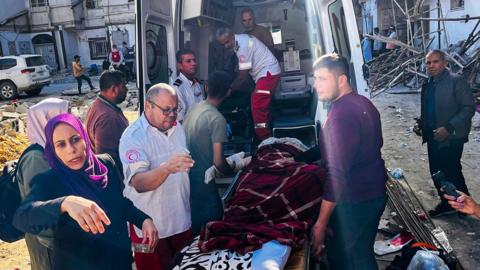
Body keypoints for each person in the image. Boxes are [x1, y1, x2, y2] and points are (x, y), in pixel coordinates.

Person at [13, 113, 158, 270]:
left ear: (85, 138)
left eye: (75, 139)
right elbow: (22, 218)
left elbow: (118, 203)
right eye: (61, 144)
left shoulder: (105, 164)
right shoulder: (49, 180)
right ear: (53, 150)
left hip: (117, 262)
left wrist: (143, 220)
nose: (71, 150)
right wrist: (64, 203)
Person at [311, 54, 388, 269]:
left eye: (322, 79)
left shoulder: (342, 114)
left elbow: (337, 175)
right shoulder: (363, 103)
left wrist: (320, 223)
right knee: (360, 254)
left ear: (341, 79)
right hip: (373, 193)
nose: (316, 85)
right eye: (315, 79)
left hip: (358, 198)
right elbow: (374, 144)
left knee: (349, 260)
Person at [119, 84, 195, 270]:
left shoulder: (177, 128)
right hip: (148, 229)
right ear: (148, 106)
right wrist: (167, 168)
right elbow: (139, 183)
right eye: (166, 109)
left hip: (181, 219)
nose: (172, 114)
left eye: (175, 109)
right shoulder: (133, 137)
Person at [415, 50, 475, 217]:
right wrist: (422, 123)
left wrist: (448, 128)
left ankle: (463, 205)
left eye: (435, 62)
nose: (431, 65)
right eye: (428, 63)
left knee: (452, 170)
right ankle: (448, 202)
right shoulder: (428, 83)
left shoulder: (456, 81)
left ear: (445, 63)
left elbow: (469, 108)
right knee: (436, 171)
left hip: (452, 136)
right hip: (433, 135)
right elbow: (428, 108)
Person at [16, 98, 69, 270]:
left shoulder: (51, 152)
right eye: (64, 115)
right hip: (48, 245)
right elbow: (40, 208)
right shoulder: (36, 158)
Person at [183, 71, 235, 235]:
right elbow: (218, 162)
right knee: (212, 236)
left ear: (206, 88)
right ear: (229, 92)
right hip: (206, 189)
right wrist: (235, 168)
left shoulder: (194, 109)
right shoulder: (217, 119)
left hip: (188, 183)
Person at [216, 27, 281, 140]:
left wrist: (229, 90)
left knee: (257, 103)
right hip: (267, 73)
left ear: (232, 35)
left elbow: (242, 77)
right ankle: (267, 131)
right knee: (261, 104)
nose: (226, 46)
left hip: (268, 74)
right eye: (223, 44)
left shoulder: (243, 46)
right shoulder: (241, 40)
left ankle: (265, 139)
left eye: (227, 42)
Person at [86, 70, 129, 171]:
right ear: (114, 89)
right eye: (123, 86)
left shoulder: (97, 104)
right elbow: (107, 159)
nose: (126, 90)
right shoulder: (107, 117)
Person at [172, 49, 204, 122]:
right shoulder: (177, 88)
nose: (193, 63)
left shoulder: (197, 83)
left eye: (194, 60)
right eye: (188, 61)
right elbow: (180, 119)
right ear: (180, 66)